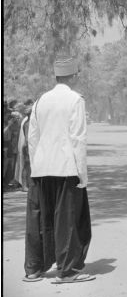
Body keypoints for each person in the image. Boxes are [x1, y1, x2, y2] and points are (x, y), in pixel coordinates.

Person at [24, 54, 94, 283]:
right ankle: (68, 271)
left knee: (39, 219)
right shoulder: (75, 100)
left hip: (41, 169)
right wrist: (82, 175)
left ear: (56, 75)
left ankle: (34, 269)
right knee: (68, 219)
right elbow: (77, 140)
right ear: (73, 76)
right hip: (66, 168)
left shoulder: (40, 101)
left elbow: (32, 138)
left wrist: (35, 167)